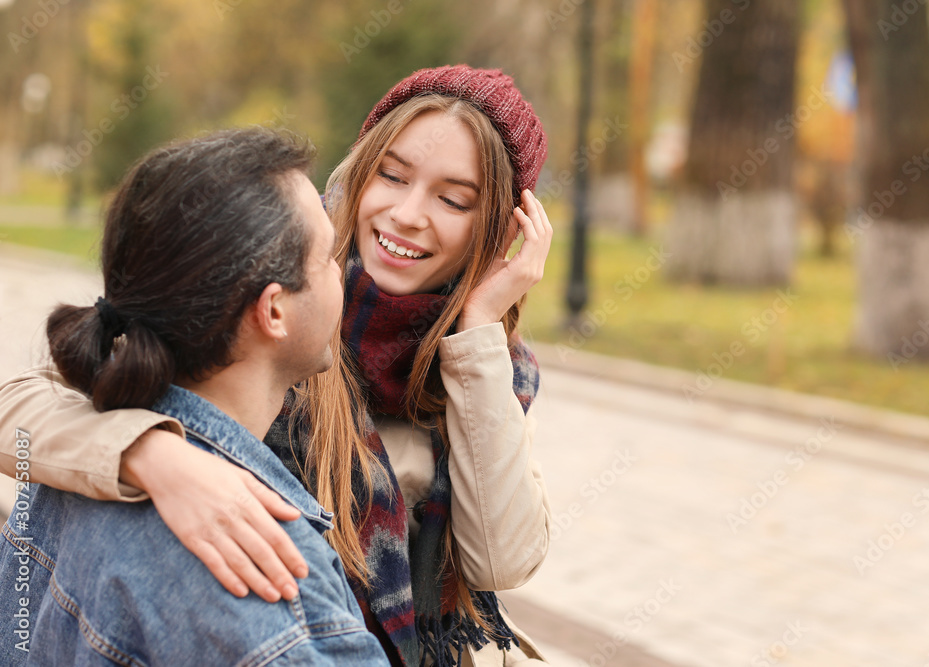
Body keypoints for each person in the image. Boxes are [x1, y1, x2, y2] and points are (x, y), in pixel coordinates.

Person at [0, 65, 552, 666]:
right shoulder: (279, 285)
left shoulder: (491, 364)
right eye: (391, 176)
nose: (408, 213)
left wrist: (477, 337)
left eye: (453, 199)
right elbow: (22, 407)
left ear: (500, 228)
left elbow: (500, 560)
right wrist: (151, 455)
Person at [0, 127, 388, 665]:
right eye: (327, 258)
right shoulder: (269, 569)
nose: (346, 271)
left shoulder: (75, 465)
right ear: (274, 310)